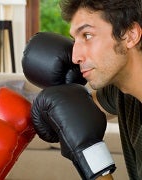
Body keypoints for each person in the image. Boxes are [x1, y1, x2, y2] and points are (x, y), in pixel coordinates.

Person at [60, 0, 142, 179]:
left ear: (130, 35)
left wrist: (89, 152)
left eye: (87, 35)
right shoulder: (123, 91)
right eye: (75, 40)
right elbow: (77, 111)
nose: (75, 57)